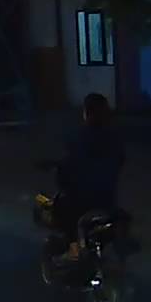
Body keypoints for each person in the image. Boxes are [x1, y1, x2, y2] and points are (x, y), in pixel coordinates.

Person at [53, 93, 126, 260]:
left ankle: (73, 251)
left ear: (87, 112)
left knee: (64, 212)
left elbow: (67, 164)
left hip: (83, 199)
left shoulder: (79, 136)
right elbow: (120, 161)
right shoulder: (114, 137)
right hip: (107, 199)